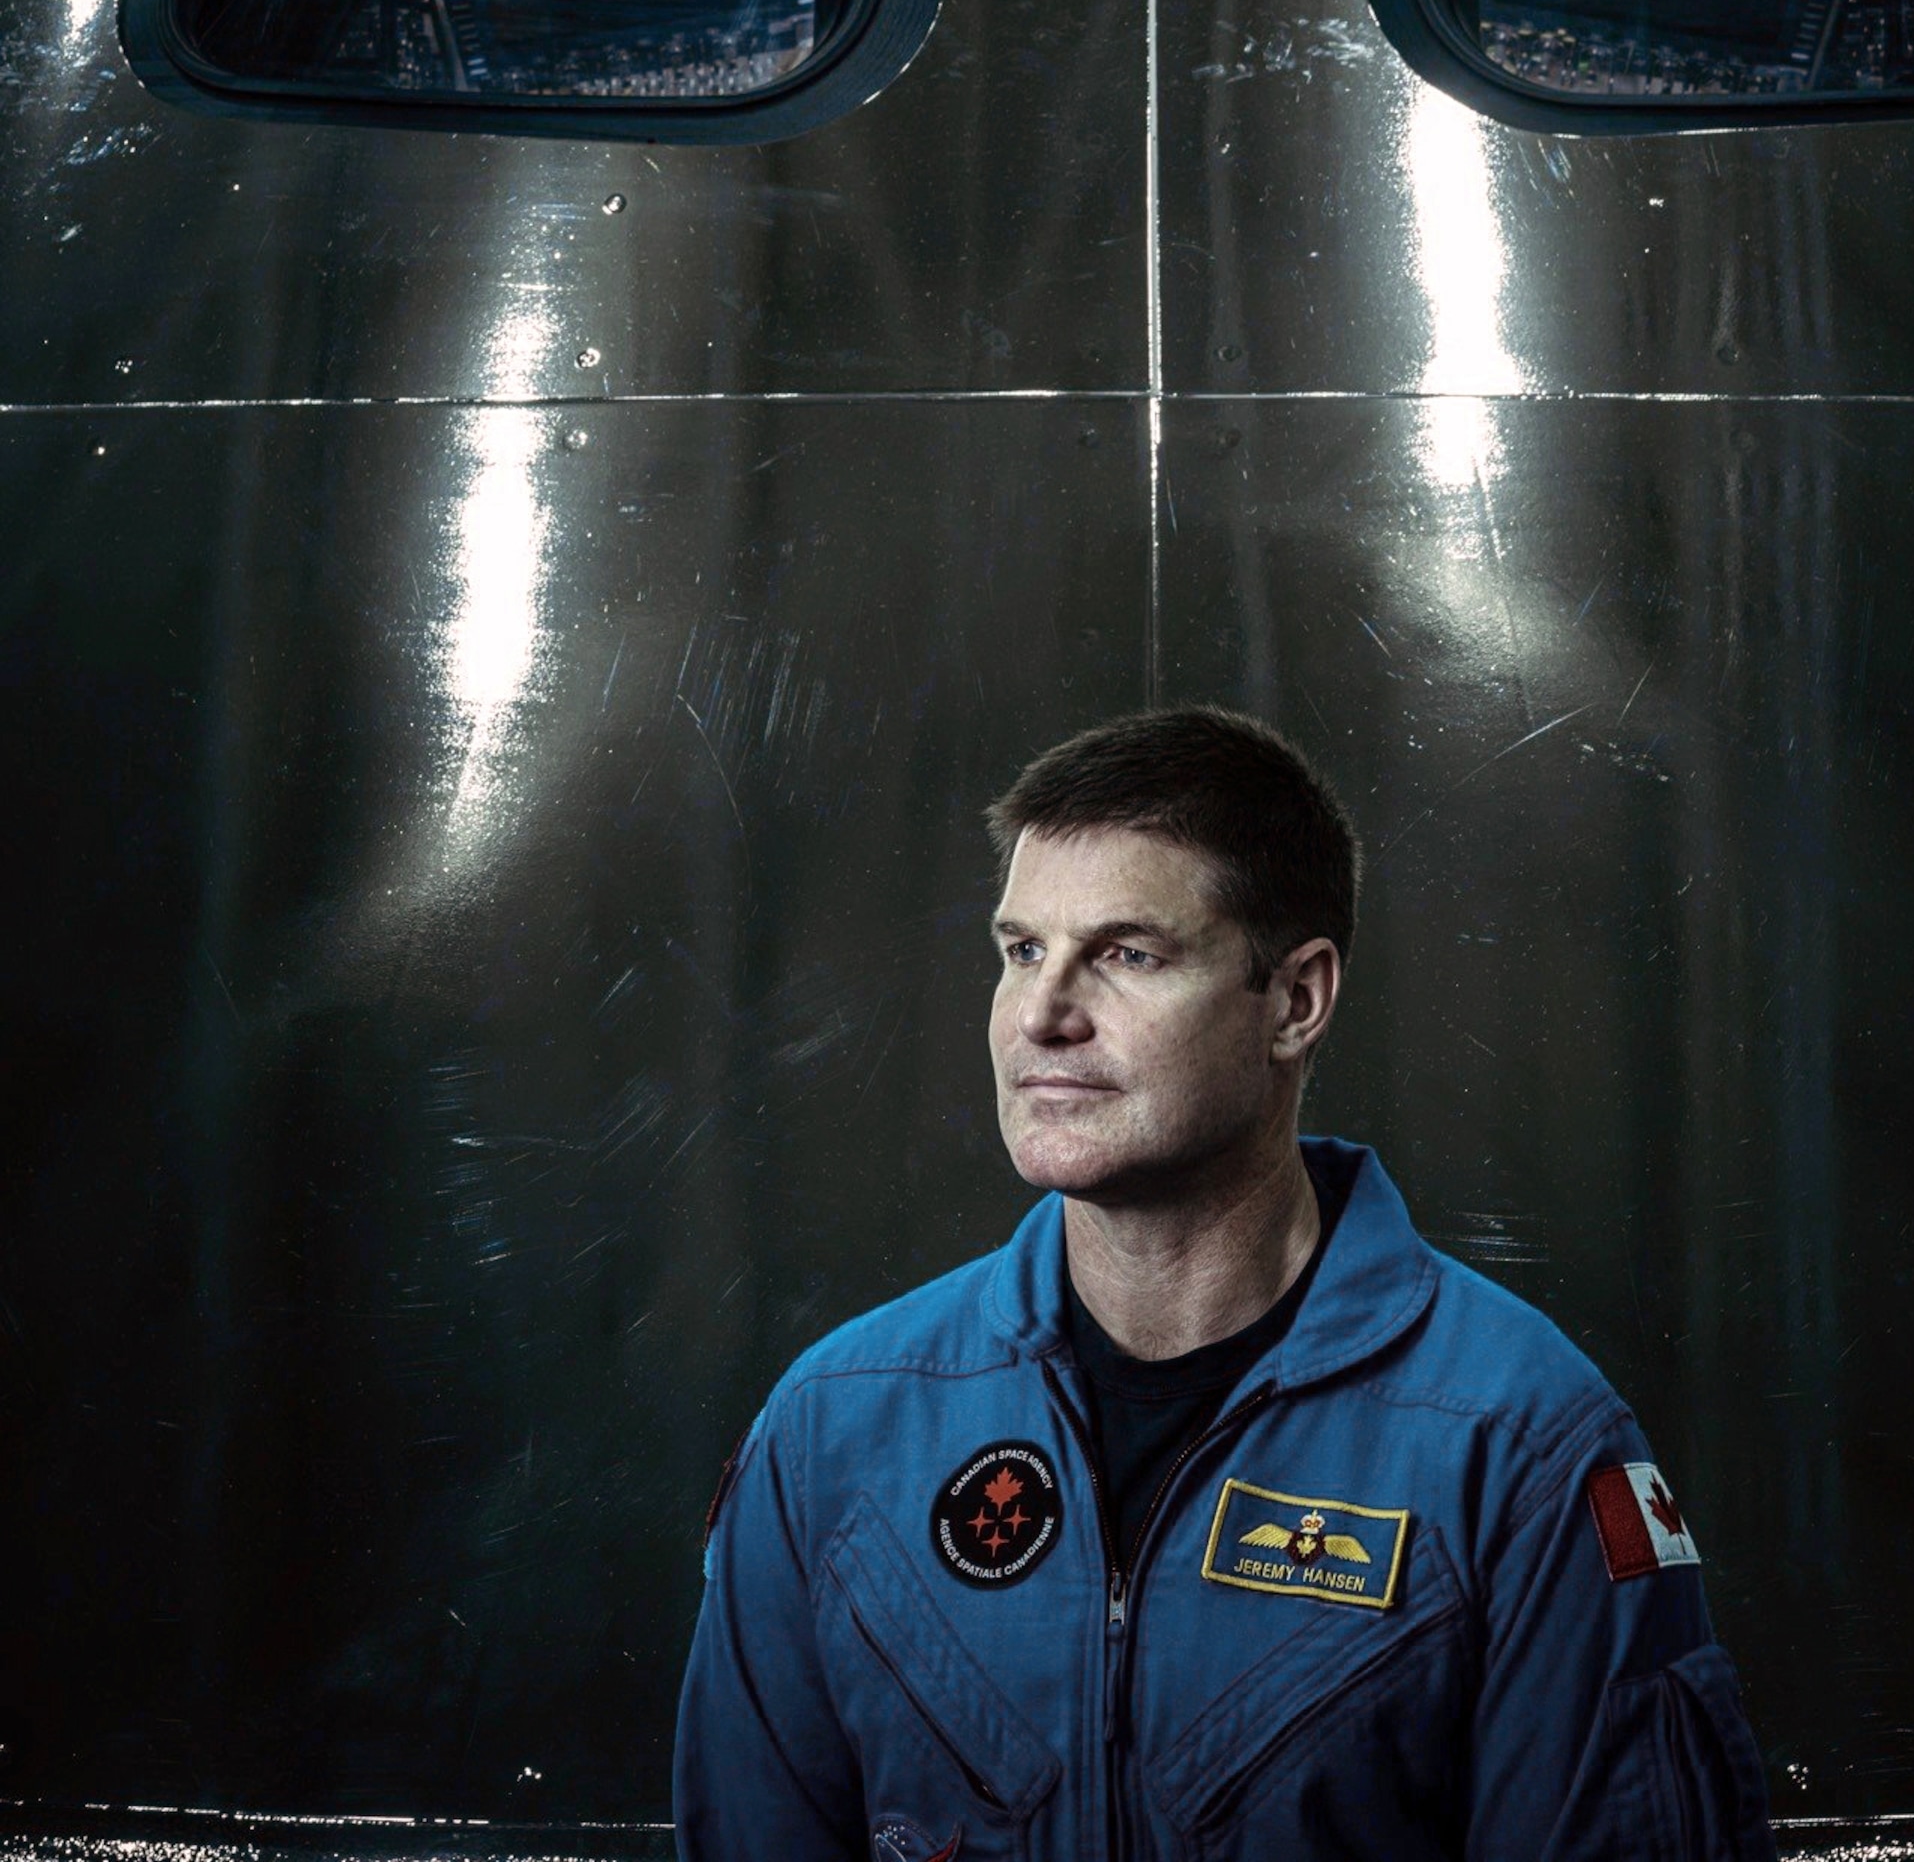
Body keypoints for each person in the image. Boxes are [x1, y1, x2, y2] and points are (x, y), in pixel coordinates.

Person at [674, 707, 1774, 1861]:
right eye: (1021, 951)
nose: (1043, 1016)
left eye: (1128, 954)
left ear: (1295, 1001)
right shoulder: (839, 1428)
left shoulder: (1520, 1445)